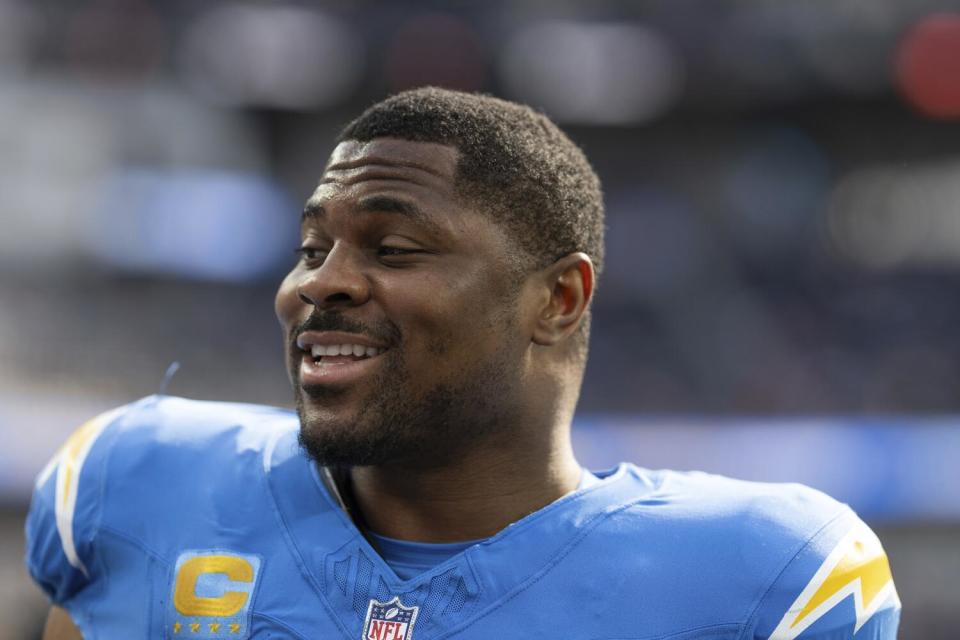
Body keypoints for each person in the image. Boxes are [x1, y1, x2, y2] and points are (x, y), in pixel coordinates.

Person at [26, 88, 900, 640]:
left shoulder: (760, 580)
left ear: (557, 299)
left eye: (395, 248)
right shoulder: (139, 485)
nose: (318, 285)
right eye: (310, 246)